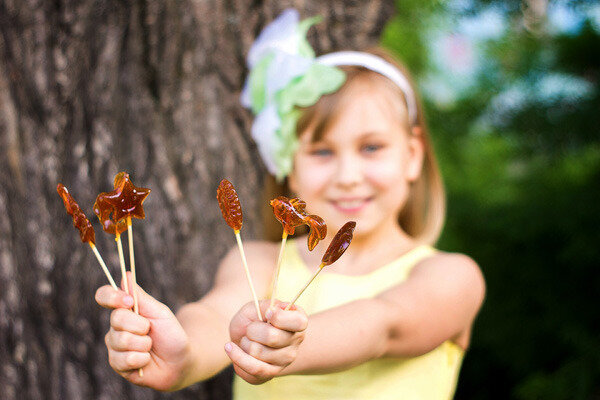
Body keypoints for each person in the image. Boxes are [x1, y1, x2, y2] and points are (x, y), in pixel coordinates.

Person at [95, 9, 485, 399]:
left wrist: (290, 346)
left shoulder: (451, 276)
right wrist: (182, 354)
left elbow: (384, 324)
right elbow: (215, 319)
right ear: (289, 168)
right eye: (321, 152)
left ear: (413, 156)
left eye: (371, 147)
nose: (348, 175)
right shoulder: (262, 264)